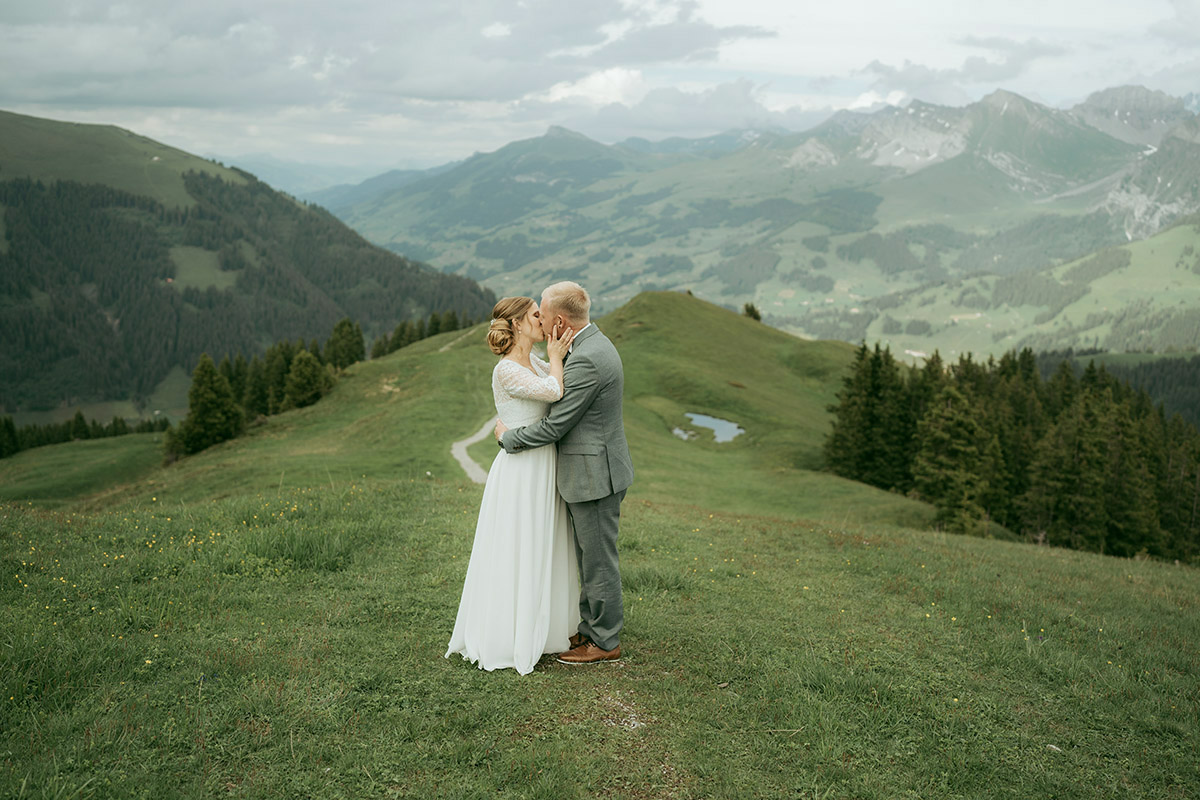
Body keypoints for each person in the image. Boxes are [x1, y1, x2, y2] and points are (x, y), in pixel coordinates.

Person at [495, 281, 634, 665]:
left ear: (559, 321)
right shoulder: (589, 345)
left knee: (598, 561)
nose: (538, 319)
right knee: (590, 557)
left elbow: (556, 425)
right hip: (595, 470)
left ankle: (604, 641)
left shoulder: (588, 359)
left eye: (541, 313)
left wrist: (509, 438)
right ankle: (589, 628)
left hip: (595, 475)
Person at [445, 296, 580, 674]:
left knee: (544, 542)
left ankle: (548, 628)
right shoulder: (506, 370)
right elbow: (554, 391)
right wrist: (556, 355)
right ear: (518, 324)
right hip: (521, 470)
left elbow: (558, 381)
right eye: (536, 315)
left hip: (544, 464)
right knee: (518, 544)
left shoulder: (534, 361)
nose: (542, 320)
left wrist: (555, 355)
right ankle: (508, 633)